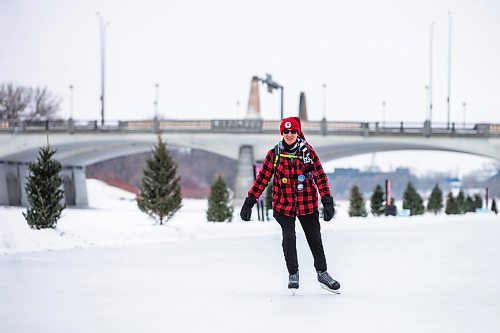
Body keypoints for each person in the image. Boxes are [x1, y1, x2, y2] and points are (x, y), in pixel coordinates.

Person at [240, 117, 340, 294]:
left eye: (293, 131)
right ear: (282, 133)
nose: (289, 134)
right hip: (283, 205)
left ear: (297, 132)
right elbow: (262, 179)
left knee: (315, 238)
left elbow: (320, 177)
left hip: (306, 203)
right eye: (286, 131)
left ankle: (322, 273)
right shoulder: (275, 154)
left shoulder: (308, 152)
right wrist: (250, 202)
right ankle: (293, 273)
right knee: (289, 236)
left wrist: (327, 200)